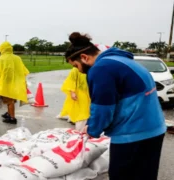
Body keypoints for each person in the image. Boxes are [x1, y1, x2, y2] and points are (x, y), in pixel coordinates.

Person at [65, 32, 166, 180]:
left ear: (84, 58)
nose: (79, 70)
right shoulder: (120, 60)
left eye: (76, 65)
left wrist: (92, 129)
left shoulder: (101, 69)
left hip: (133, 133)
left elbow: (103, 108)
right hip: (154, 128)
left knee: (121, 175)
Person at [0, 42, 29, 124]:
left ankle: (12, 118)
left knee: (10, 101)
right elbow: (23, 70)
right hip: (16, 83)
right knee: (11, 100)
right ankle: (9, 113)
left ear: (2, 49)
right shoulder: (17, 58)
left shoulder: (1, 59)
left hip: (5, 83)